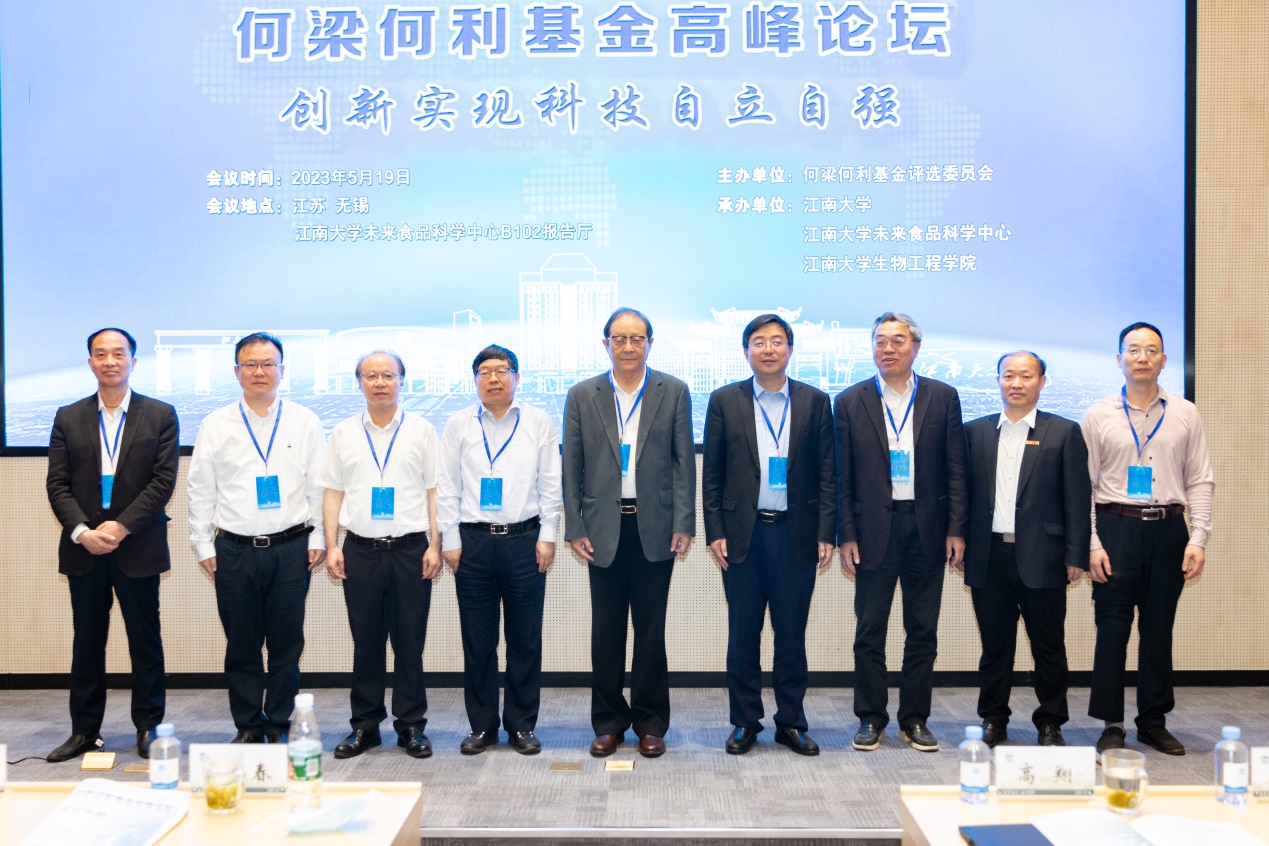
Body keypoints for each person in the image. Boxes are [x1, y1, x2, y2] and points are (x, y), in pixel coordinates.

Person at [563, 307, 695, 759]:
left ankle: (651, 722)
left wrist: (684, 522)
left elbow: (683, 462)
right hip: (602, 527)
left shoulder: (673, 391)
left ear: (650, 344)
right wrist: (575, 526)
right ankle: (608, 722)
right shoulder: (583, 394)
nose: (628, 346)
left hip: (655, 525)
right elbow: (572, 466)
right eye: (619, 338)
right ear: (605, 344)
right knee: (606, 632)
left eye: (637, 338)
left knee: (651, 631)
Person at [702, 314, 836, 756]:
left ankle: (791, 722)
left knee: (791, 635)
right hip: (742, 535)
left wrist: (826, 531)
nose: (768, 349)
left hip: (796, 535)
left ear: (790, 350)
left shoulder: (815, 401)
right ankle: (745, 721)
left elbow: (828, 473)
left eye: (777, 341)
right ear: (746, 352)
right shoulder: (725, 400)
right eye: (759, 342)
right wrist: (715, 530)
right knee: (743, 634)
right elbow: (712, 473)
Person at [835, 312, 968, 753]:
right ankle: (870, 718)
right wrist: (846, 534)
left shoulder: (942, 396)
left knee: (922, 630)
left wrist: (956, 528)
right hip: (872, 529)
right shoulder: (850, 400)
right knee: (869, 630)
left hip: (927, 527)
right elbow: (842, 476)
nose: (887, 348)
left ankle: (915, 719)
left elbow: (955, 468)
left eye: (897, 340)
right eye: (880, 340)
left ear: (916, 347)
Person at [45, 328, 179, 762]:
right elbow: (57, 484)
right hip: (84, 548)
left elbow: (162, 481)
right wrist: (83, 532)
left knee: (145, 641)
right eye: (100, 354)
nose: (109, 361)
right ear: (90, 363)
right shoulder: (68, 416)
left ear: (133, 362)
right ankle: (85, 731)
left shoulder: (159, 414)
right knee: (87, 642)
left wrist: (121, 527)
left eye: (118, 354)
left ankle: (149, 727)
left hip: (137, 544)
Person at [1081, 322, 1213, 756]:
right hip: (1115, 528)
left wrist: (1198, 537)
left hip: (1169, 530)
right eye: (1134, 350)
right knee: (1112, 629)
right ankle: (1111, 723)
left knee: (1158, 630)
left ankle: (1153, 722)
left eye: (1151, 350)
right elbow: (1084, 485)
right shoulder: (1099, 414)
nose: (1142, 357)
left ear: (1164, 359)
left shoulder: (1185, 412)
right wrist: (1092, 543)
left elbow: (1200, 478)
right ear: (1119, 359)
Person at [187, 332, 326, 742]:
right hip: (234, 549)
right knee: (242, 644)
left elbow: (318, 485)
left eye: (268, 364)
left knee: (286, 643)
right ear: (237, 371)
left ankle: (280, 722)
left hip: (291, 547)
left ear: (282, 370)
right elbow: (201, 487)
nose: (259, 371)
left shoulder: (305, 421)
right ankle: (248, 724)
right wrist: (202, 543)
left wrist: (318, 536)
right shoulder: (216, 424)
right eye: (250, 364)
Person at [437, 345, 562, 756]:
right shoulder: (458, 423)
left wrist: (548, 534)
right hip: (472, 543)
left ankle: (522, 725)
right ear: (475, 379)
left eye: (502, 370)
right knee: (478, 640)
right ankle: (482, 726)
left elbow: (550, 482)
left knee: (525, 639)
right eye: (485, 372)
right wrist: (450, 539)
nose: (494, 378)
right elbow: (448, 485)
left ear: (516, 377)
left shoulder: (538, 421)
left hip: (524, 540)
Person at [962, 351, 1091, 747]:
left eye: (1026, 376)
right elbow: (962, 496)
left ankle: (1050, 721)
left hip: (1045, 557)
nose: (1016, 383)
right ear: (998, 380)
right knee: (995, 648)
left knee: (1048, 647)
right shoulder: (975, 432)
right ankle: (993, 719)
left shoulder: (1064, 432)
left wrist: (1076, 555)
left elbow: (1077, 499)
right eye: (1008, 376)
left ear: (1042, 382)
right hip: (989, 555)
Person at [319, 351, 440, 759]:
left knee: (410, 641)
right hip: (360, 550)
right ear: (359, 383)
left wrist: (435, 544)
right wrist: (332, 544)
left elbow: (435, 492)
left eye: (388, 374)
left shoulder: (422, 430)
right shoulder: (343, 432)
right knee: (366, 642)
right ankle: (365, 726)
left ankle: (411, 725)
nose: (380, 382)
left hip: (410, 550)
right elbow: (333, 492)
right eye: (370, 375)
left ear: (402, 381)